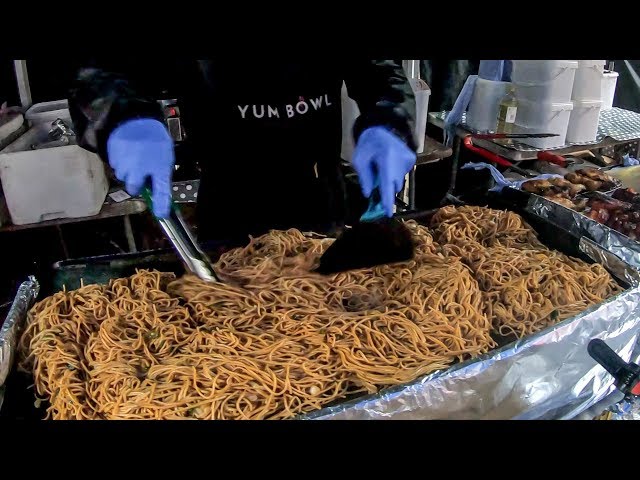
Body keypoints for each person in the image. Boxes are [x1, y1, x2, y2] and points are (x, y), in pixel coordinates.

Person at [68, 60, 417, 245]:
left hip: (319, 194)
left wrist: (390, 120)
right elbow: (103, 71)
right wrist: (120, 116)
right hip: (229, 200)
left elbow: (381, 73)